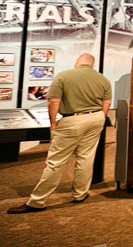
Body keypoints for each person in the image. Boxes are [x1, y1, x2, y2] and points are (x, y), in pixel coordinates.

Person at [7, 53, 111, 214]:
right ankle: (80, 194)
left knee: (56, 161)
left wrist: (53, 123)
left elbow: (54, 101)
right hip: (96, 118)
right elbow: (107, 102)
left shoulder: (63, 76)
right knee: (86, 157)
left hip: (72, 120)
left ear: (77, 62)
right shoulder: (103, 79)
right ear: (93, 65)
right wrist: (100, 118)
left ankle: (37, 201)